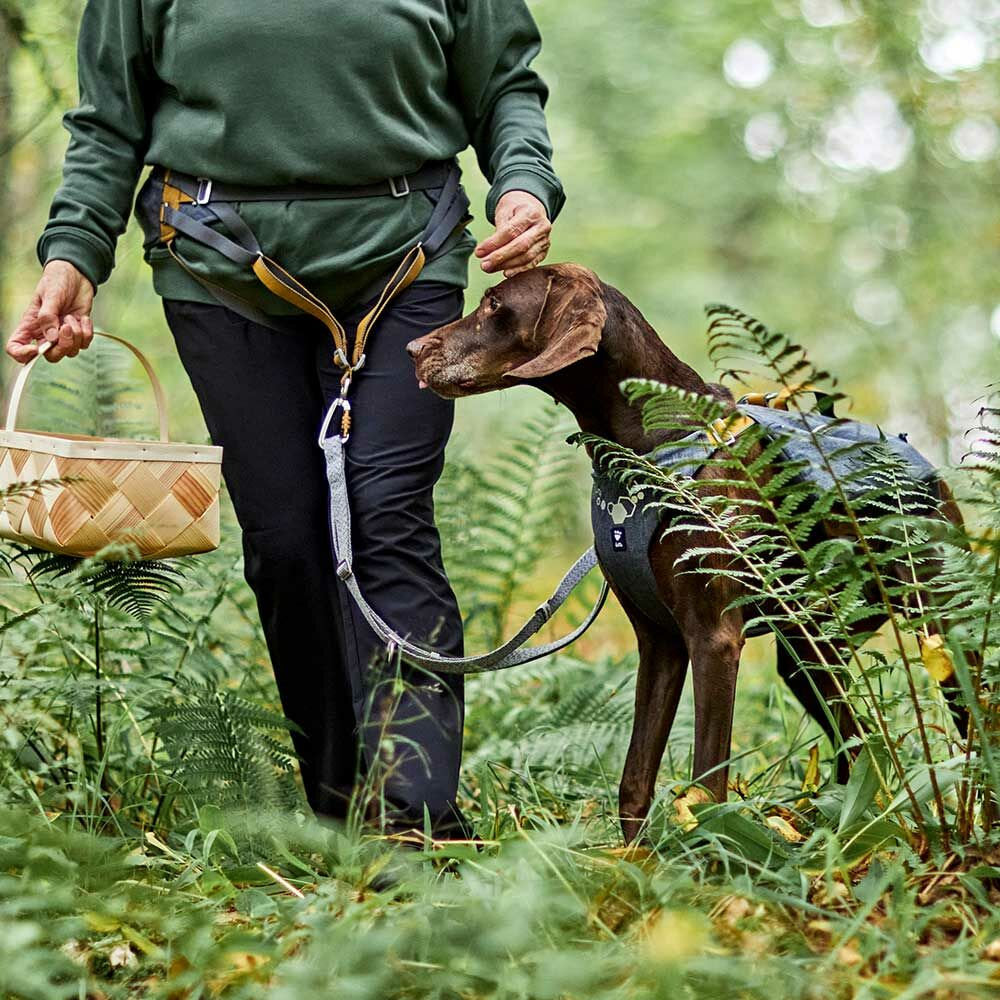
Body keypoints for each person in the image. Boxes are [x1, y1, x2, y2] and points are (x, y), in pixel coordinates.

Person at [6, 0, 564, 840]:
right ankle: (340, 814)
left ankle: (414, 824)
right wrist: (73, 254)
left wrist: (522, 184)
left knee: (388, 515)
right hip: (219, 260)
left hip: (408, 255)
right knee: (289, 540)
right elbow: (108, 121)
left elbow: (506, 88)